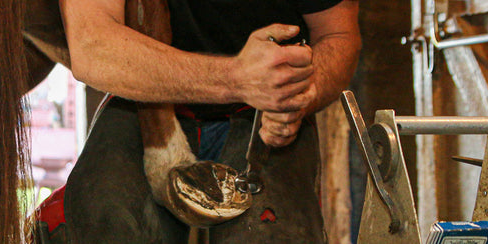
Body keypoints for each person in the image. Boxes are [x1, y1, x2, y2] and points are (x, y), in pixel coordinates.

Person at [34, 0, 361, 242]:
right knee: (105, 217)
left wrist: (301, 93)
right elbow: (93, 45)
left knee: (269, 232)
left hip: (265, 106)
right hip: (142, 96)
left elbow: (338, 33)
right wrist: (237, 77)